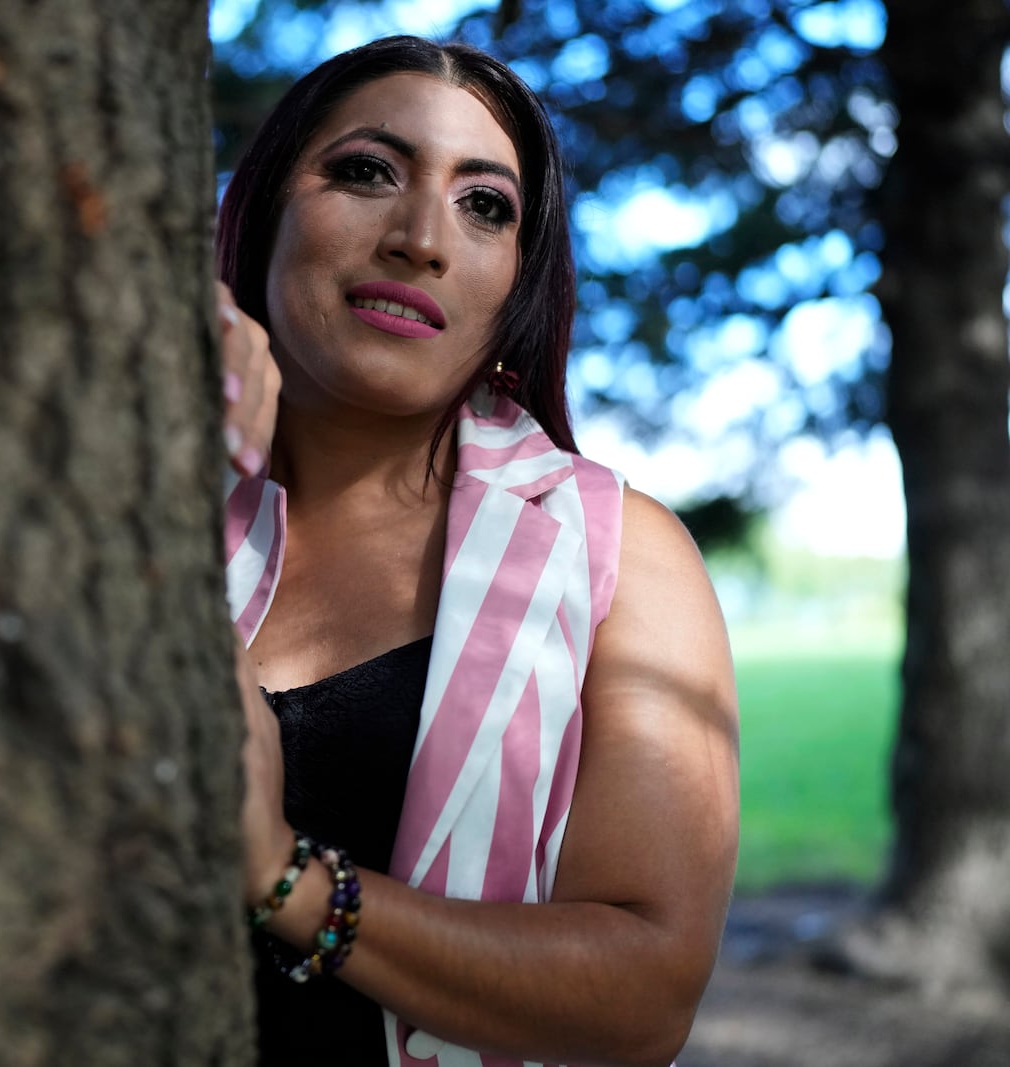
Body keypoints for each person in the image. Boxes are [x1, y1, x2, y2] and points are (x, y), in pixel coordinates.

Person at [214, 36, 739, 1067]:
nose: (421, 238)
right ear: (262, 214)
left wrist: (280, 877)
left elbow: (642, 996)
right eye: (366, 171)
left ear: (516, 289)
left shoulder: (617, 555)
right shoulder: (127, 490)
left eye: (484, 205)